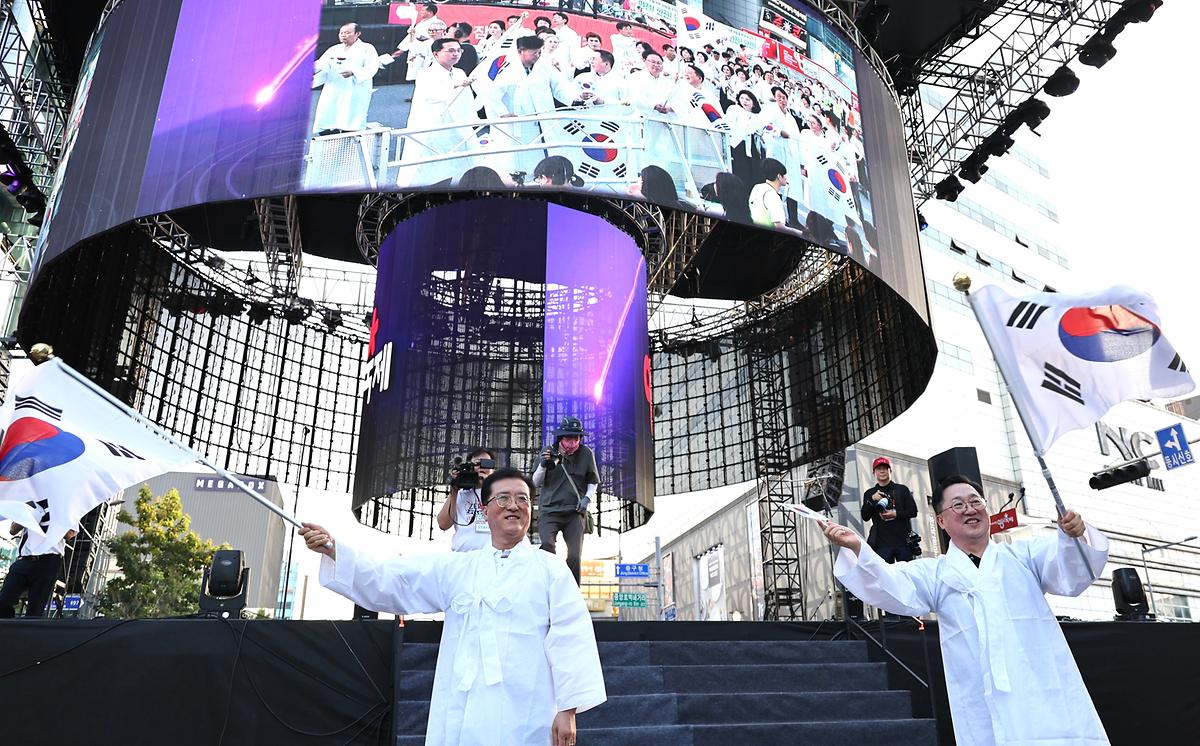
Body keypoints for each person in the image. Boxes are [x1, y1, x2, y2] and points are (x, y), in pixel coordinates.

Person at [300, 467, 606, 745]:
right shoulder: (458, 568)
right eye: (503, 498)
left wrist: (568, 709)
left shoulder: (550, 568)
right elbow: (396, 579)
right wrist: (334, 550)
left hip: (526, 709)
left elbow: (571, 636)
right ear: (485, 511)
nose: (514, 505)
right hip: (462, 708)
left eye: (522, 499)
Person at [820, 474, 1111, 746]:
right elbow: (892, 583)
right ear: (942, 521)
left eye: (975, 502)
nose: (969, 509)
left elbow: (1071, 571)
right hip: (980, 696)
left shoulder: (1023, 556)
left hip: (1042, 692)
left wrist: (1075, 535)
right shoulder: (936, 573)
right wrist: (858, 546)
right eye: (958, 505)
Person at [480, 35, 578, 176]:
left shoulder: (544, 66)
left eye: (539, 52)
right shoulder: (507, 67)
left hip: (540, 120)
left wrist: (574, 99)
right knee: (511, 160)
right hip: (515, 122)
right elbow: (491, 93)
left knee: (538, 156)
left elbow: (559, 86)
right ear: (521, 51)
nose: (537, 56)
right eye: (534, 53)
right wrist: (502, 112)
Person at [400, 38, 479, 187]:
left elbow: (466, 99)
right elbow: (433, 94)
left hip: (457, 123)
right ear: (436, 54)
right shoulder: (426, 73)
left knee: (461, 158)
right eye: (450, 51)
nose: (455, 54)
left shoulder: (459, 72)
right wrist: (456, 85)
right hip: (433, 124)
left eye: (458, 50)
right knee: (430, 163)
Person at [532, 417, 598, 585]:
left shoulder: (586, 454)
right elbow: (534, 482)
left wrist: (587, 499)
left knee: (575, 555)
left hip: (574, 511)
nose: (573, 443)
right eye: (569, 438)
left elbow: (593, 481)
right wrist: (543, 464)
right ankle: (547, 583)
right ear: (560, 438)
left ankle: (572, 589)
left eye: (576, 439)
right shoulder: (548, 451)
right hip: (549, 510)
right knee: (547, 546)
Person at [312, 23, 380, 135]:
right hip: (334, 86)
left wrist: (354, 72)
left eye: (347, 33)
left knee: (351, 114)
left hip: (354, 87)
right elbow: (323, 64)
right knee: (329, 111)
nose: (343, 35)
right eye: (341, 33)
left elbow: (372, 67)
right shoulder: (334, 49)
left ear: (357, 34)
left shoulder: (367, 48)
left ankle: (351, 134)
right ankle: (328, 133)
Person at [0, 522, 75, 618]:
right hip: (25, 558)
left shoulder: (66, 508)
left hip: (49, 560)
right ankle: (8, 629)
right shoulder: (30, 506)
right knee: (3, 601)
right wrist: (29, 513)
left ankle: (25, 631)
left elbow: (69, 535)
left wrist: (51, 516)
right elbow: (13, 530)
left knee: (35, 610)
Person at [436, 448, 496, 552]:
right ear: (470, 467)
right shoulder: (460, 494)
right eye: (477, 464)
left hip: (491, 555)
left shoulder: (500, 493)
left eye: (486, 463)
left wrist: (488, 486)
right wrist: (454, 491)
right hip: (463, 556)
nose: (481, 467)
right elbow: (443, 524)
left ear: (493, 469)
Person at [860, 456, 918, 563]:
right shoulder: (870, 493)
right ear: (874, 473)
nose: (882, 471)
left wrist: (895, 514)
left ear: (890, 471)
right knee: (885, 577)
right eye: (879, 469)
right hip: (881, 544)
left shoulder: (901, 489)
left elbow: (913, 511)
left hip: (903, 541)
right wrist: (872, 500)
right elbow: (865, 516)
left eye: (885, 468)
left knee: (906, 574)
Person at [394, 3, 441, 82]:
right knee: (416, 75)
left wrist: (416, 34)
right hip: (416, 51)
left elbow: (434, 38)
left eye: (423, 10)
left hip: (428, 52)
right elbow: (411, 38)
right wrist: (402, 49)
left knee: (426, 75)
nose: (420, 12)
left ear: (430, 12)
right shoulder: (421, 23)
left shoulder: (437, 23)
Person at [749, 158, 788, 230]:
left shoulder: (756, 187)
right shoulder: (772, 196)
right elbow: (780, 227)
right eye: (785, 174)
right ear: (779, 176)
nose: (786, 177)